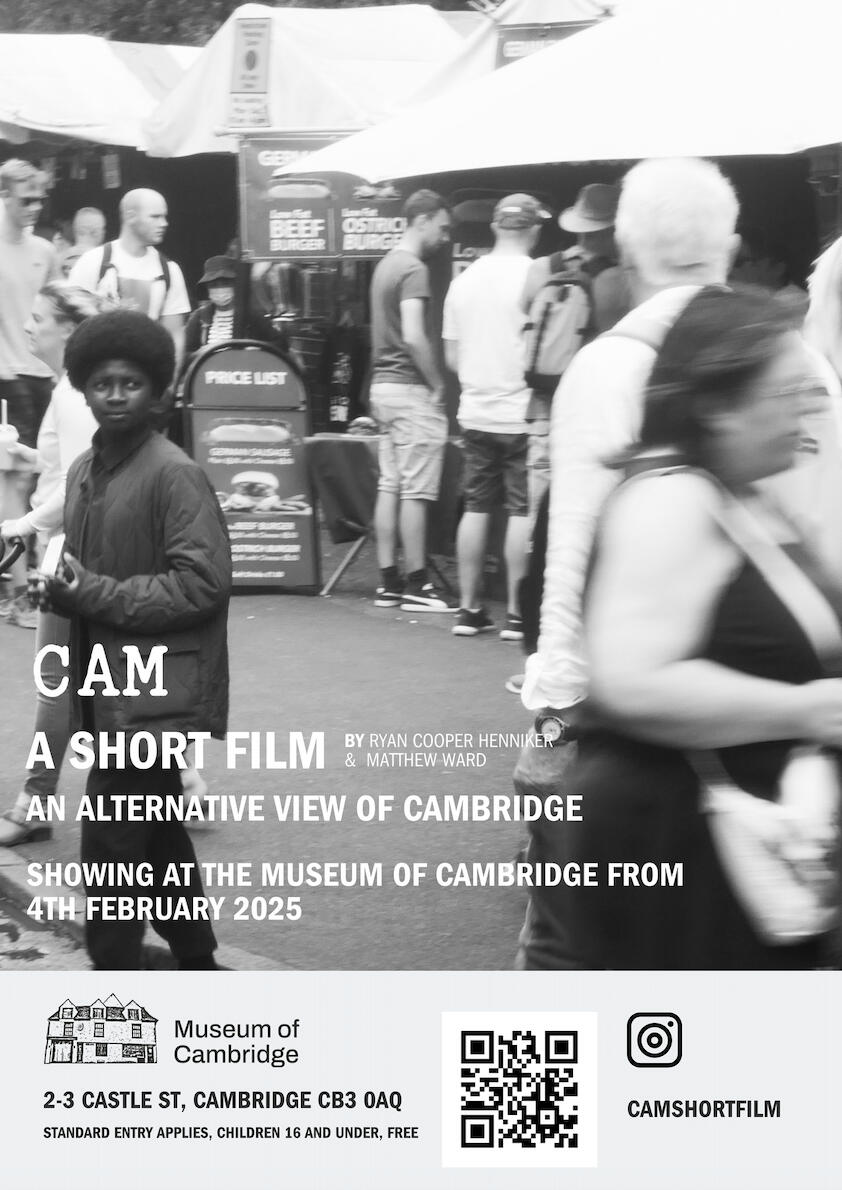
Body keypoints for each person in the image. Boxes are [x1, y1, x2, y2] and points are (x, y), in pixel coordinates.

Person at [545, 286, 839, 969]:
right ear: (718, 404)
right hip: (674, 844)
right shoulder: (671, 498)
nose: (807, 410)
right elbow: (632, 682)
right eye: (788, 394)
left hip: (741, 847)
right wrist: (809, 709)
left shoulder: (745, 493)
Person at [515, 157, 743, 968]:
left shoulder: (607, 366)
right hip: (759, 708)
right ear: (734, 244)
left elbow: (571, 545)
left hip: (627, 714)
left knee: (566, 954)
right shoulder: (797, 366)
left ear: (626, 251)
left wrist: (552, 708)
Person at [38, 309, 231, 970]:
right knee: (157, 837)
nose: (115, 395)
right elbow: (93, 575)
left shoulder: (174, 473)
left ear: (158, 390)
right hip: (113, 689)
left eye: (131, 383)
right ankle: (199, 962)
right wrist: (61, 583)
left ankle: (112, 975)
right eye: (101, 382)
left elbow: (200, 584)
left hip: (157, 696)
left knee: (113, 849)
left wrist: (87, 590)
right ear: (82, 388)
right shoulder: (88, 470)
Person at [0, 284, 101, 844]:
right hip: (80, 548)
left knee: (56, 681)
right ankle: (180, 779)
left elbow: (85, 485)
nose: (30, 326)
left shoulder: (71, 393)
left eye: (40, 318)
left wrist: (23, 523)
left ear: (68, 329)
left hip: (73, 550)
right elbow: (71, 469)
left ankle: (36, 800)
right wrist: (30, 458)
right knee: (99, 681)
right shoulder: (70, 389)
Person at [443, 194, 548, 639]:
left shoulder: (465, 279)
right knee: (523, 511)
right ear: (534, 229)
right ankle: (518, 616)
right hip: (524, 411)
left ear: (496, 228)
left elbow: (452, 354)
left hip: (476, 409)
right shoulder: (539, 277)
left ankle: (468, 610)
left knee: (476, 506)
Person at [519, 183, 631, 515]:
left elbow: (526, 314)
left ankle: (532, 563)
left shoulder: (543, 268)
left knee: (539, 508)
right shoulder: (620, 279)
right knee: (587, 507)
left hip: (543, 406)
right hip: (593, 411)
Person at [368, 188, 455, 612]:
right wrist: (437, 382)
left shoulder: (385, 264)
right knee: (416, 491)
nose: (445, 235)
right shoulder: (414, 269)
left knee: (391, 484)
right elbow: (416, 334)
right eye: (442, 226)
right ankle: (418, 584)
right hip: (408, 387)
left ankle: (388, 580)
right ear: (422, 220)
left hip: (382, 387)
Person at [68, 189, 190, 375]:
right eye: (155, 217)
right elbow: (69, 323)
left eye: (164, 216)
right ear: (130, 216)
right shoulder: (93, 261)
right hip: (96, 377)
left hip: (146, 380)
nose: (164, 223)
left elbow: (173, 335)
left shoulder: (169, 270)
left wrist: (169, 384)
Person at [0, 161, 60, 535]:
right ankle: (18, 578)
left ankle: (34, 566)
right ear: (4, 196)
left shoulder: (45, 249)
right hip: (8, 372)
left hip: (45, 374)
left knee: (47, 470)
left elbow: (59, 307)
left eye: (40, 200)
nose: (35, 208)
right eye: (26, 200)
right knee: (17, 476)